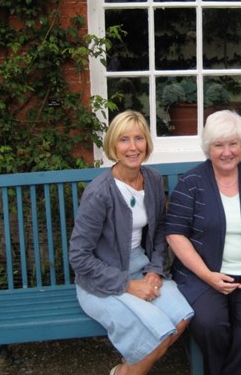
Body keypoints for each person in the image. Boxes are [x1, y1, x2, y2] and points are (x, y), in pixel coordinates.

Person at [69, 110, 194, 375]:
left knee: (182, 317)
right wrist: (127, 285)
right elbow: (79, 256)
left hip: (142, 267)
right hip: (101, 280)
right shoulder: (100, 193)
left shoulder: (151, 179)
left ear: (147, 143)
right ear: (113, 145)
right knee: (155, 340)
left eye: (139, 139)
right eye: (124, 140)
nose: (133, 147)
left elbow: (160, 229)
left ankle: (123, 372)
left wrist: (155, 270)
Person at [165, 110, 241, 375]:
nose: (227, 152)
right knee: (209, 322)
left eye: (233, 144)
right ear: (208, 148)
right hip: (202, 275)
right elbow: (175, 233)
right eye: (219, 145)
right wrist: (207, 275)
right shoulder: (191, 183)